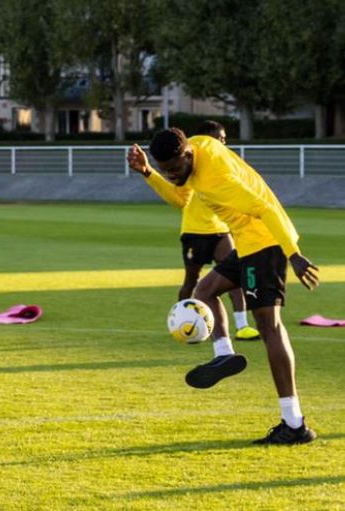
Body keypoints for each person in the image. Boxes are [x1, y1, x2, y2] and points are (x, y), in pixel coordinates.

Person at [128, 128, 321, 445]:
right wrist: (148, 172)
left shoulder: (216, 178)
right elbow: (181, 198)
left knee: (269, 327)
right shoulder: (198, 147)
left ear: (187, 155)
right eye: (167, 170)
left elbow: (266, 208)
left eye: (175, 169)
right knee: (204, 291)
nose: (173, 175)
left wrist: (293, 254)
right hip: (246, 244)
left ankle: (294, 424)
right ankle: (224, 354)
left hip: (266, 242)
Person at [138, 120, 259, 341]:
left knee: (234, 276)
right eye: (218, 138)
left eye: (224, 138)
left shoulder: (221, 163)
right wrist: (149, 172)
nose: (223, 142)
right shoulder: (188, 166)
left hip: (220, 231)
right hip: (194, 231)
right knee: (191, 281)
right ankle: (179, 320)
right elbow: (180, 199)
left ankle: (242, 326)